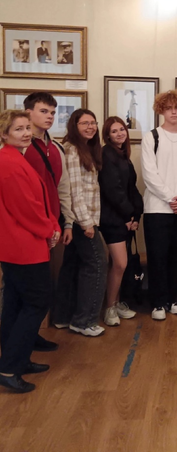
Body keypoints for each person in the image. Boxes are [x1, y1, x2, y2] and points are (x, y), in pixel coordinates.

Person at [0, 110, 61, 393]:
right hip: (23, 245)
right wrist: (49, 229)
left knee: (15, 303)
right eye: (18, 129)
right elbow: (26, 207)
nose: (25, 133)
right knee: (36, 302)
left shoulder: (13, 158)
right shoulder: (9, 163)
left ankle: (16, 361)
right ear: (4, 134)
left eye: (27, 128)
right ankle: (9, 368)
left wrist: (50, 225)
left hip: (19, 244)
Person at [24, 92, 76, 352]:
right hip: (25, 226)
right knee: (21, 286)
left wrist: (67, 223)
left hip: (51, 224)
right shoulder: (18, 146)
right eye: (44, 111)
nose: (50, 117)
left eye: (53, 112)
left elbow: (63, 187)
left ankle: (31, 335)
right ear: (28, 112)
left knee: (44, 284)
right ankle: (16, 339)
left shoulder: (56, 147)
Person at [141, 90, 177, 321]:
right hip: (157, 208)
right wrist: (170, 198)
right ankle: (157, 302)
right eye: (168, 108)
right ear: (161, 110)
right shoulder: (152, 137)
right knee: (157, 256)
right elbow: (149, 174)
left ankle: (173, 298)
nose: (173, 112)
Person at [54, 109, 108, 336]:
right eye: (84, 123)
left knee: (72, 265)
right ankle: (84, 321)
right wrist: (87, 223)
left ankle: (63, 317)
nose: (90, 127)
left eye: (93, 123)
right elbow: (74, 191)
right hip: (80, 220)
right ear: (74, 126)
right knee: (97, 265)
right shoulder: (73, 150)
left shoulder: (84, 149)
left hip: (79, 220)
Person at [99, 116, 144, 326]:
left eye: (122, 129)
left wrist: (136, 215)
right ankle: (109, 308)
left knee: (118, 265)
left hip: (124, 218)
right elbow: (113, 190)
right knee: (120, 264)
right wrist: (128, 216)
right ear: (107, 135)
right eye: (114, 131)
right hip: (113, 219)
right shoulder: (107, 154)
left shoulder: (123, 155)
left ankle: (116, 304)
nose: (119, 134)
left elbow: (131, 189)